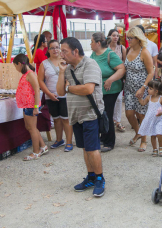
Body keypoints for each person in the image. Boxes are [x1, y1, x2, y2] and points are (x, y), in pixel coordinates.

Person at [57, 37, 106, 197]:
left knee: (93, 149)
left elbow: (88, 89)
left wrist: (70, 87)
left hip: (90, 114)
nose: (61, 54)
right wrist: (62, 72)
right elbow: (59, 92)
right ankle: (91, 177)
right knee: (85, 148)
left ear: (75, 51)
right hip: (75, 115)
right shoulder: (68, 68)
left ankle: (100, 178)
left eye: (64, 51)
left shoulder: (90, 64)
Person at [90, 32, 125, 152]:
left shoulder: (110, 54)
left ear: (98, 43)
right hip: (99, 90)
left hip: (111, 90)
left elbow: (122, 69)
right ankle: (103, 136)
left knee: (107, 114)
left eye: (92, 42)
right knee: (101, 113)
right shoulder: (94, 54)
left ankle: (110, 142)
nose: (90, 44)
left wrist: (110, 80)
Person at [38, 40, 74, 152]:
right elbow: (40, 81)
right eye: (52, 48)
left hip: (65, 96)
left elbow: (70, 77)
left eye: (57, 47)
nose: (55, 50)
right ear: (48, 50)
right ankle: (59, 140)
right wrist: (49, 94)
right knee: (56, 119)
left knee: (66, 119)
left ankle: (69, 142)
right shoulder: (44, 64)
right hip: (51, 95)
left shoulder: (65, 62)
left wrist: (66, 88)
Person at [13, 54, 48, 161]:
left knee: (32, 128)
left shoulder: (30, 74)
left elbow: (37, 90)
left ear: (19, 64)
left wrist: (36, 107)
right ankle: (43, 146)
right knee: (30, 127)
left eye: (15, 66)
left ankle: (36, 152)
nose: (16, 69)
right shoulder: (26, 74)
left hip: (31, 105)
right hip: (27, 105)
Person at [125, 27, 154, 152]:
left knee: (141, 115)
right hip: (129, 88)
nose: (128, 40)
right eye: (128, 38)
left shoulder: (144, 52)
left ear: (137, 39)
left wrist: (143, 87)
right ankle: (138, 133)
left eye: (130, 38)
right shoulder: (129, 50)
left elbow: (151, 72)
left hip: (141, 89)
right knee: (129, 114)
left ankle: (143, 140)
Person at [137, 80, 162, 157]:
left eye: (150, 88)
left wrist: (161, 113)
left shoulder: (161, 99)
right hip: (151, 119)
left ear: (156, 91)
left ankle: (161, 147)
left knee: (159, 134)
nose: (148, 90)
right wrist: (139, 98)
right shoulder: (148, 97)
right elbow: (143, 103)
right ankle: (155, 149)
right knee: (153, 135)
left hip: (159, 119)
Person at [108, 29, 127, 133]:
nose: (115, 37)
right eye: (113, 35)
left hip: (119, 76)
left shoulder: (121, 48)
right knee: (109, 99)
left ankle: (118, 121)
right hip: (108, 77)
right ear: (109, 36)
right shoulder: (106, 48)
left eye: (117, 36)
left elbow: (125, 62)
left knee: (119, 99)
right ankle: (110, 120)